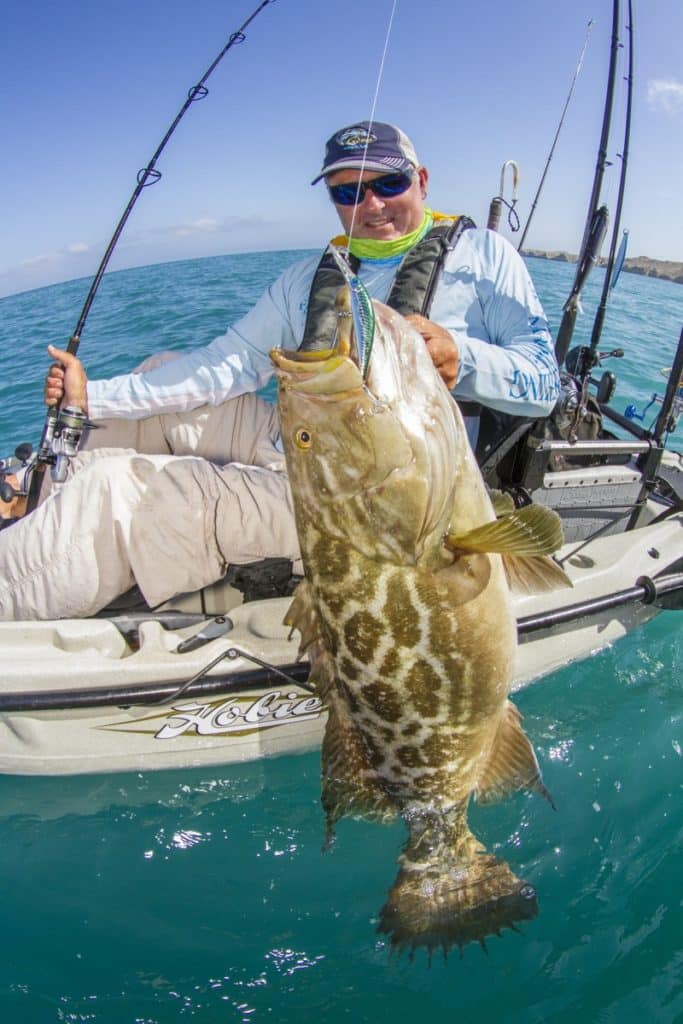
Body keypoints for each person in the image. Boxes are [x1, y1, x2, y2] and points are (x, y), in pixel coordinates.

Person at [0, 121, 560, 621]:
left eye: (388, 184)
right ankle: (39, 506)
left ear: (422, 180)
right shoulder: (306, 279)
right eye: (348, 191)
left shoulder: (485, 257)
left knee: (117, 490)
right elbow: (221, 365)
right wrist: (88, 398)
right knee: (162, 371)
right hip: (304, 449)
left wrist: (465, 360)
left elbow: (544, 381)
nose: (372, 205)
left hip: (387, 507)